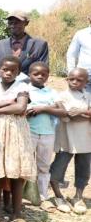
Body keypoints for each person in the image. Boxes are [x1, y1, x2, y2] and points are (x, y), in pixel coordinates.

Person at [0, 57, 37, 222]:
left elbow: (20, 108)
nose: (8, 73)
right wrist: (6, 103)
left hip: (16, 131)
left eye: (13, 70)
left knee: (16, 170)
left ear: (18, 72)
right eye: (5, 69)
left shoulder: (22, 86)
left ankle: (17, 213)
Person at [48, 68, 91, 215]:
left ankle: (78, 197)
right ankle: (58, 196)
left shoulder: (88, 96)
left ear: (86, 82)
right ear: (67, 79)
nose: (75, 82)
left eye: (79, 80)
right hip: (66, 138)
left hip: (85, 138)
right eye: (71, 79)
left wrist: (79, 111)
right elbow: (67, 117)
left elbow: (75, 114)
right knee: (58, 167)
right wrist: (86, 114)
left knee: (84, 168)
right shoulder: (62, 97)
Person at [25, 63, 66, 206]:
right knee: (26, 164)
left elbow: (62, 111)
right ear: (29, 74)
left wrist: (42, 108)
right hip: (29, 132)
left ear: (48, 76)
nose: (40, 76)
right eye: (36, 74)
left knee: (43, 166)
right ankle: (26, 195)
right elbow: (25, 110)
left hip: (48, 133)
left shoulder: (52, 92)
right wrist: (51, 107)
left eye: (44, 74)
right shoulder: (25, 90)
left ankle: (43, 196)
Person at [0, 11, 49, 82]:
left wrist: (22, 87)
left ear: (26, 23)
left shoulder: (40, 45)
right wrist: (3, 87)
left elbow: (42, 72)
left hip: (29, 90)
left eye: (17, 22)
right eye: (10, 23)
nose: (13, 25)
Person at [66, 15, 91, 93]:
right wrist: (72, 73)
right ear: (89, 18)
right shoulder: (81, 34)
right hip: (84, 78)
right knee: (82, 103)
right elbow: (71, 54)